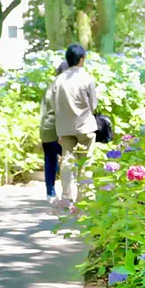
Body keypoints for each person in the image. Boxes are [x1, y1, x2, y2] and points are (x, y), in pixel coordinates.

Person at [52, 43, 98, 205]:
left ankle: (66, 196)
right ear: (81, 59)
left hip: (65, 127)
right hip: (85, 125)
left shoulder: (58, 80)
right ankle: (83, 196)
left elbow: (54, 105)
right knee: (86, 161)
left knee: (67, 160)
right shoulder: (87, 78)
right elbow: (93, 105)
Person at [39, 61, 69, 203]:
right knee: (68, 160)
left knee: (50, 160)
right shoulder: (63, 87)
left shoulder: (50, 86)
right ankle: (66, 194)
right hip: (58, 130)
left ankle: (50, 192)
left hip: (45, 129)